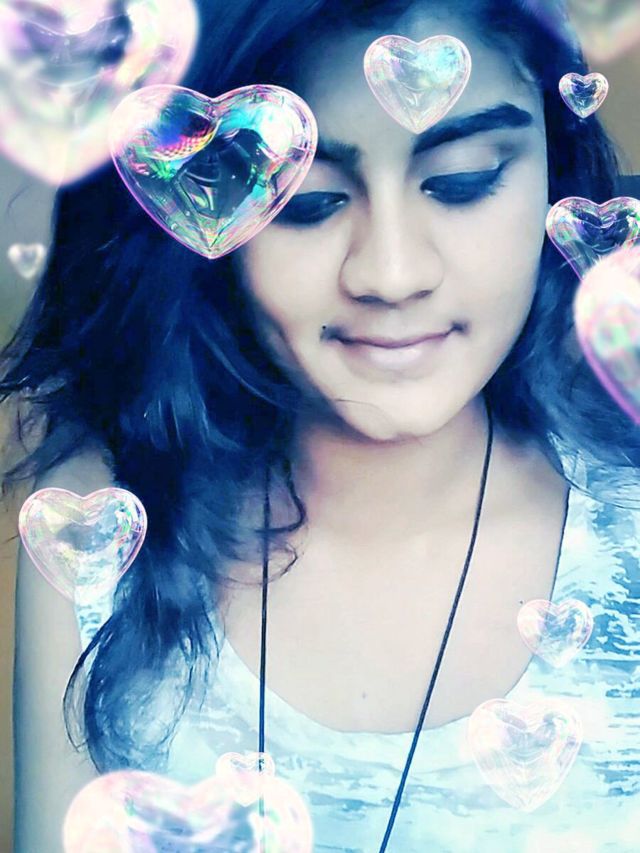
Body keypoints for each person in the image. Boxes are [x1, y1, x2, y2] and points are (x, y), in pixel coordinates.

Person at [3, 0, 640, 850]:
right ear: (192, 212)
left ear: (552, 169)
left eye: (464, 179)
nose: (393, 273)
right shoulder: (98, 537)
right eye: (306, 201)